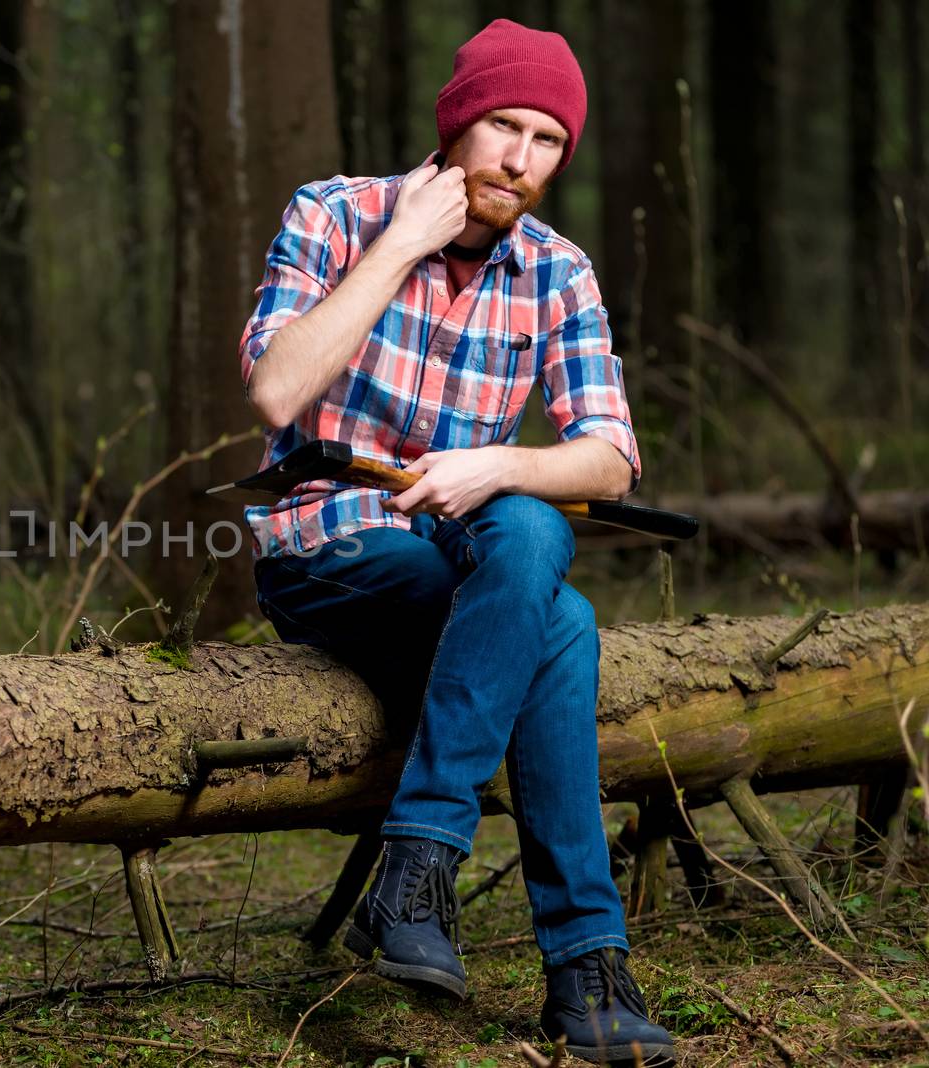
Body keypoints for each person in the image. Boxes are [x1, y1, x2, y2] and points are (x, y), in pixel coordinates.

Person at [238, 18, 675, 1067]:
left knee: (531, 540)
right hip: (328, 554)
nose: (519, 160)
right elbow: (276, 386)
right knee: (560, 626)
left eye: (546, 141)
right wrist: (400, 246)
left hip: (473, 566)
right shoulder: (337, 216)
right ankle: (582, 969)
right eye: (502, 127)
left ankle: (419, 878)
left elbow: (610, 456)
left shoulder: (555, 273)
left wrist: (499, 466)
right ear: (456, 124)